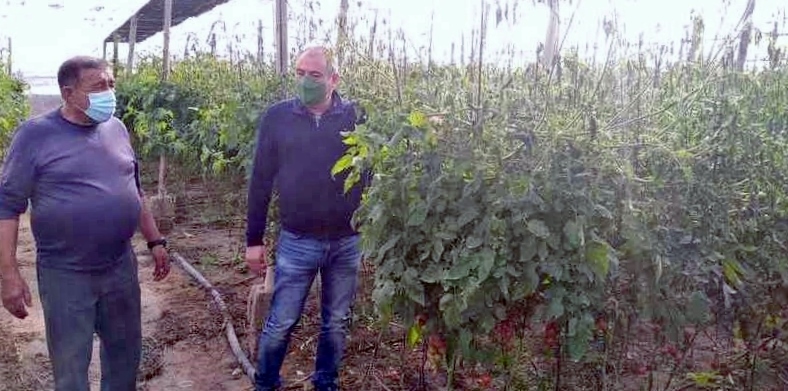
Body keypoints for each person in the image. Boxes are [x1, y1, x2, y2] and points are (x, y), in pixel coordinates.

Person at [0, 56, 171, 391]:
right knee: (71, 367)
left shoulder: (116, 129)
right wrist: (8, 274)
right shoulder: (35, 136)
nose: (109, 92)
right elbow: (7, 206)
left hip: (120, 266)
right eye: (99, 86)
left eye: (111, 84)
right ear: (69, 93)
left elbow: (133, 188)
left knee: (124, 358)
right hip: (66, 273)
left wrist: (154, 239)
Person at [245, 45, 369, 391]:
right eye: (300, 73)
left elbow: (372, 173)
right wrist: (253, 240)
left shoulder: (357, 117)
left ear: (333, 78)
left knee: (336, 322)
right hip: (297, 240)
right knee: (282, 320)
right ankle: (266, 383)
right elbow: (260, 181)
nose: (305, 81)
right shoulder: (278, 117)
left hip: (347, 240)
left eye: (314, 75)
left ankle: (325, 383)